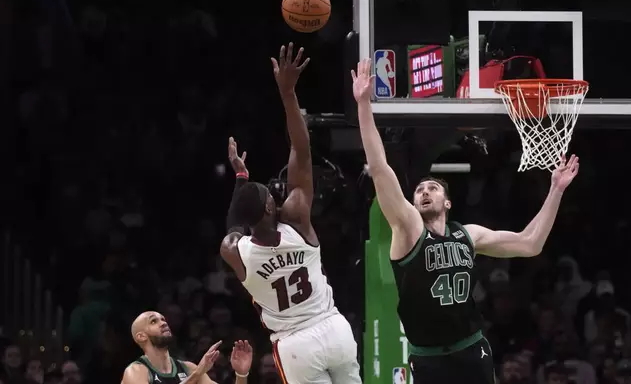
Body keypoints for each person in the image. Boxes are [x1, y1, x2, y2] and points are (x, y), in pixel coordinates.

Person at [351, 58, 579, 384]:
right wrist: (363, 105)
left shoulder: (467, 236)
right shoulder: (408, 230)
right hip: (429, 358)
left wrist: (556, 189)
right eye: (419, 191)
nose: (424, 192)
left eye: (432, 188)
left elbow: (531, 243)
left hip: (472, 349)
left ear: (447, 202)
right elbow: (380, 167)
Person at [220, 43, 361, 384]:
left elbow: (234, 226)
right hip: (333, 327)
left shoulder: (235, 252)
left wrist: (241, 178)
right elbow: (301, 147)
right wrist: (287, 93)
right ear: (270, 206)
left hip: (296, 344)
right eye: (270, 192)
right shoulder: (297, 216)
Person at [120, 311, 253, 384]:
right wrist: (196, 375)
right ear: (141, 336)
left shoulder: (188, 368)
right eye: (154, 321)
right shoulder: (135, 371)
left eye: (163, 319)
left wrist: (241, 374)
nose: (163, 323)